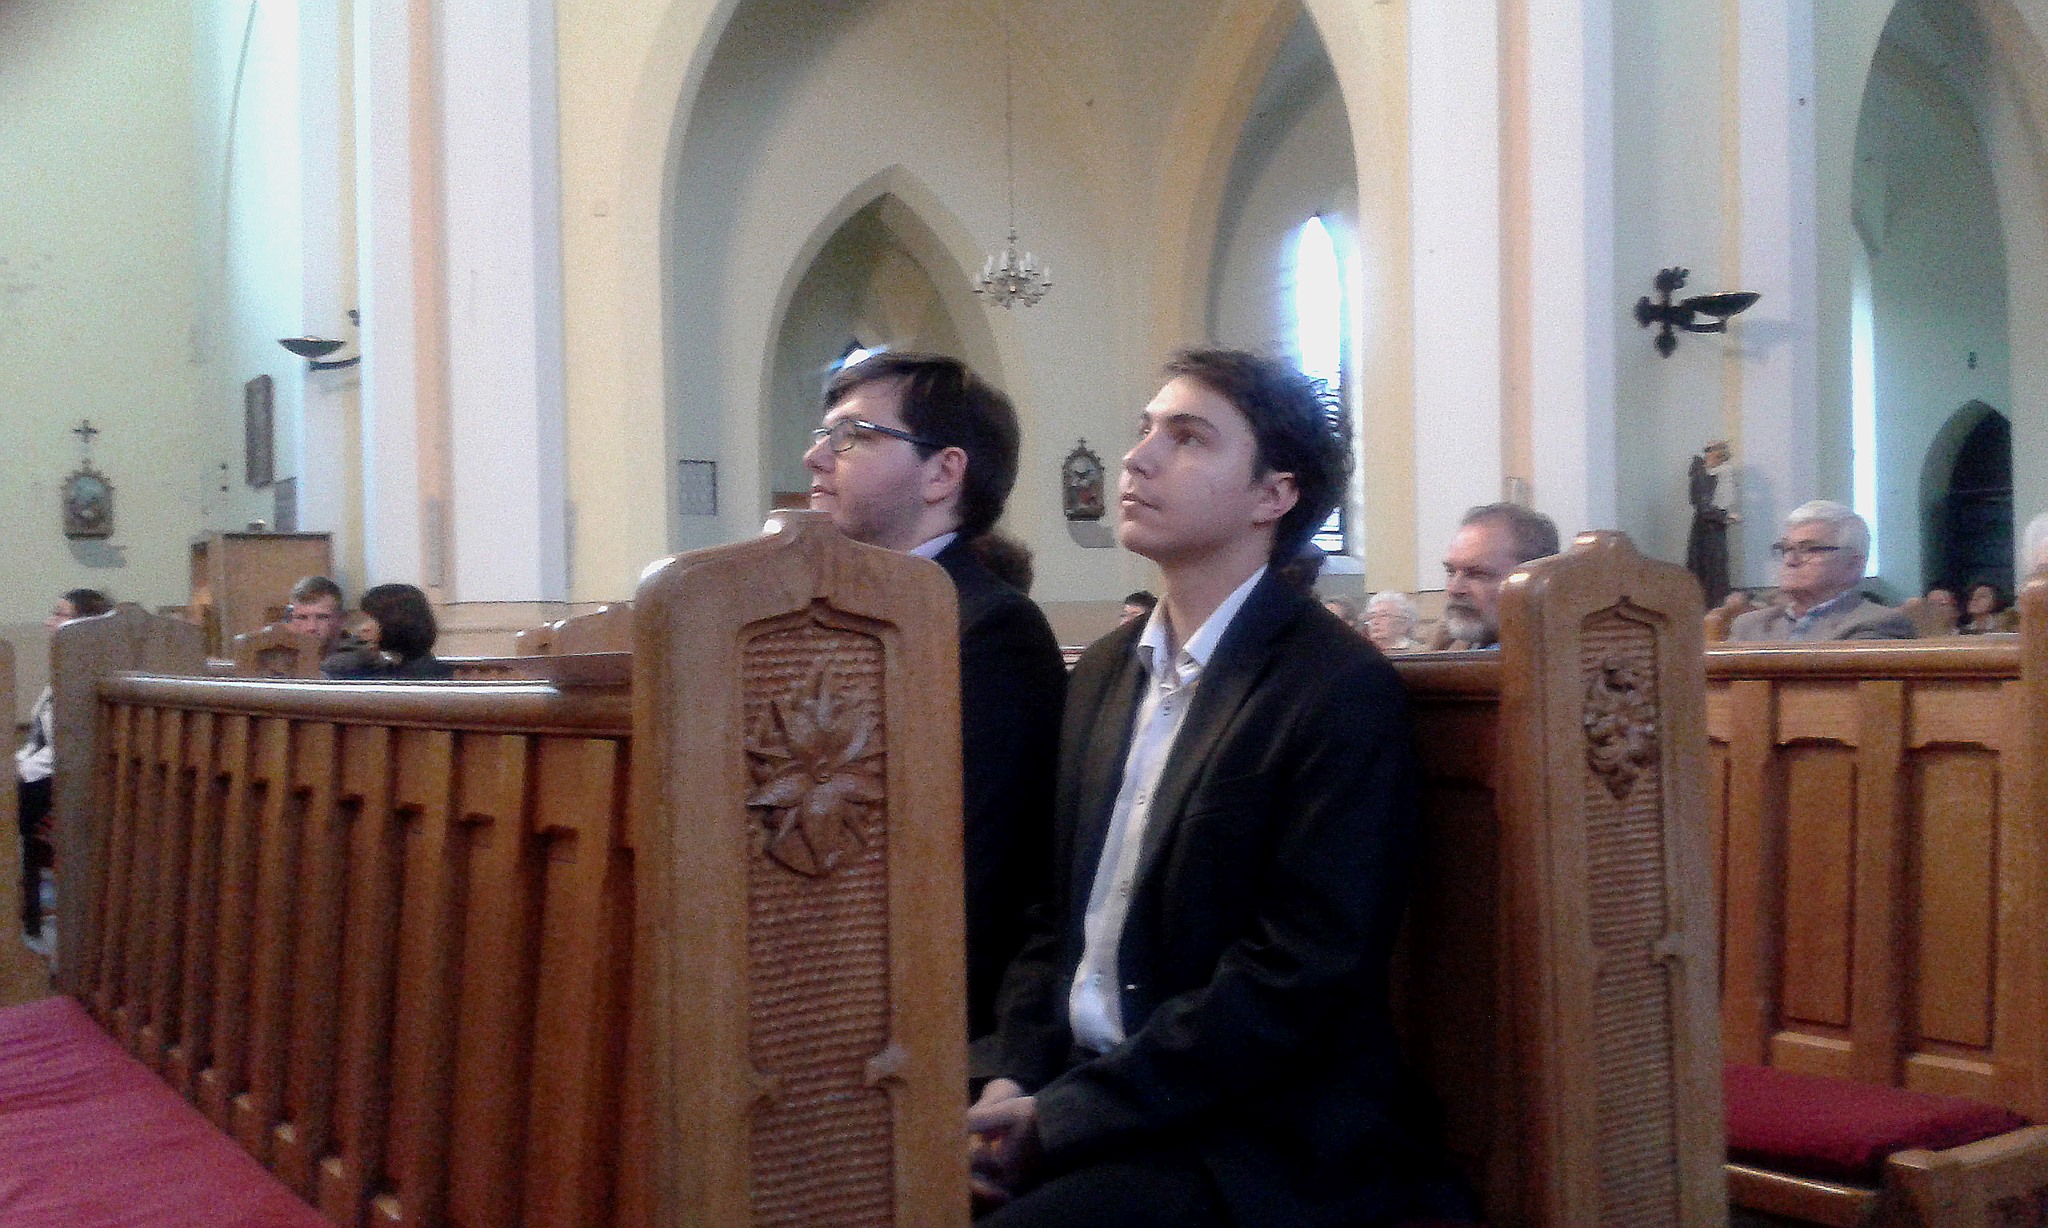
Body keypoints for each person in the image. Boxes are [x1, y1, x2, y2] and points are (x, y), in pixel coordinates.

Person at [968, 349, 1468, 1227]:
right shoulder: (1105, 671)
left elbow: (1296, 977)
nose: (1138, 458)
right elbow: (1054, 919)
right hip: (1084, 1087)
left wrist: (1061, 1120)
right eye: (1145, 430)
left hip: (1249, 1133)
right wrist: (1014, 1077)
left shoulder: (1334, 688)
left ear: (1273, 495)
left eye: (1188, 438)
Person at [804, 351, 1067, 1044]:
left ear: (943, 473)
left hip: (923, 1016)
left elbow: (974, 866)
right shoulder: (830, 616)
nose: (816, 456)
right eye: (825, 433)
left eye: (852, 436)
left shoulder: (990, 628)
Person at [17, 588, 112, 943]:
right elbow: (38, 742)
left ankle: (25, 922)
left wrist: (19, 772)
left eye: (59, 615)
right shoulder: (62, 671)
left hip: (74, 784)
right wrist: (15, 765)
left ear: (85, 626)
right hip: (48, 776)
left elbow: (68, 748)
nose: (49, 622)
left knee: (16, 802)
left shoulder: (89, 675)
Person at [1726, 501, 1915, 642]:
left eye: (1810, 549)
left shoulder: (1877, 623)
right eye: (1786, 549)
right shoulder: (1749, 625)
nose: (1790, 560)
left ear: (1853, 565)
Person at [1438, 501, 1561, 649]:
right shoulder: (1463, 651)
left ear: (1536, 581)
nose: (1454, 589)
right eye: (1451, 572)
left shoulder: (1565, 654)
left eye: (1478, 574)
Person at [320, 583, 455, 679]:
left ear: (398, 621)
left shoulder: (425, 676)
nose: (364, 627)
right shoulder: (378, 664)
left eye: (372, 618)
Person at [1686, 441, 1741, 608]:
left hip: (1713, 526)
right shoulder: (1703, 475)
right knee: (1711, 567)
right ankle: (1711, 604)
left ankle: (1715, 602)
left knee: (1716, 566)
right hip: (1707, 529)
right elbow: (1703, 506)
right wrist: (1724, 515)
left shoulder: (1713, 473)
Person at [286, 575, 347, 655]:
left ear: (341, 620)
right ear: (290, 620)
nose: (311, 627)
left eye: (322, 617)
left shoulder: (356, 658)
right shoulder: (282, 656)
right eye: (302, 618)